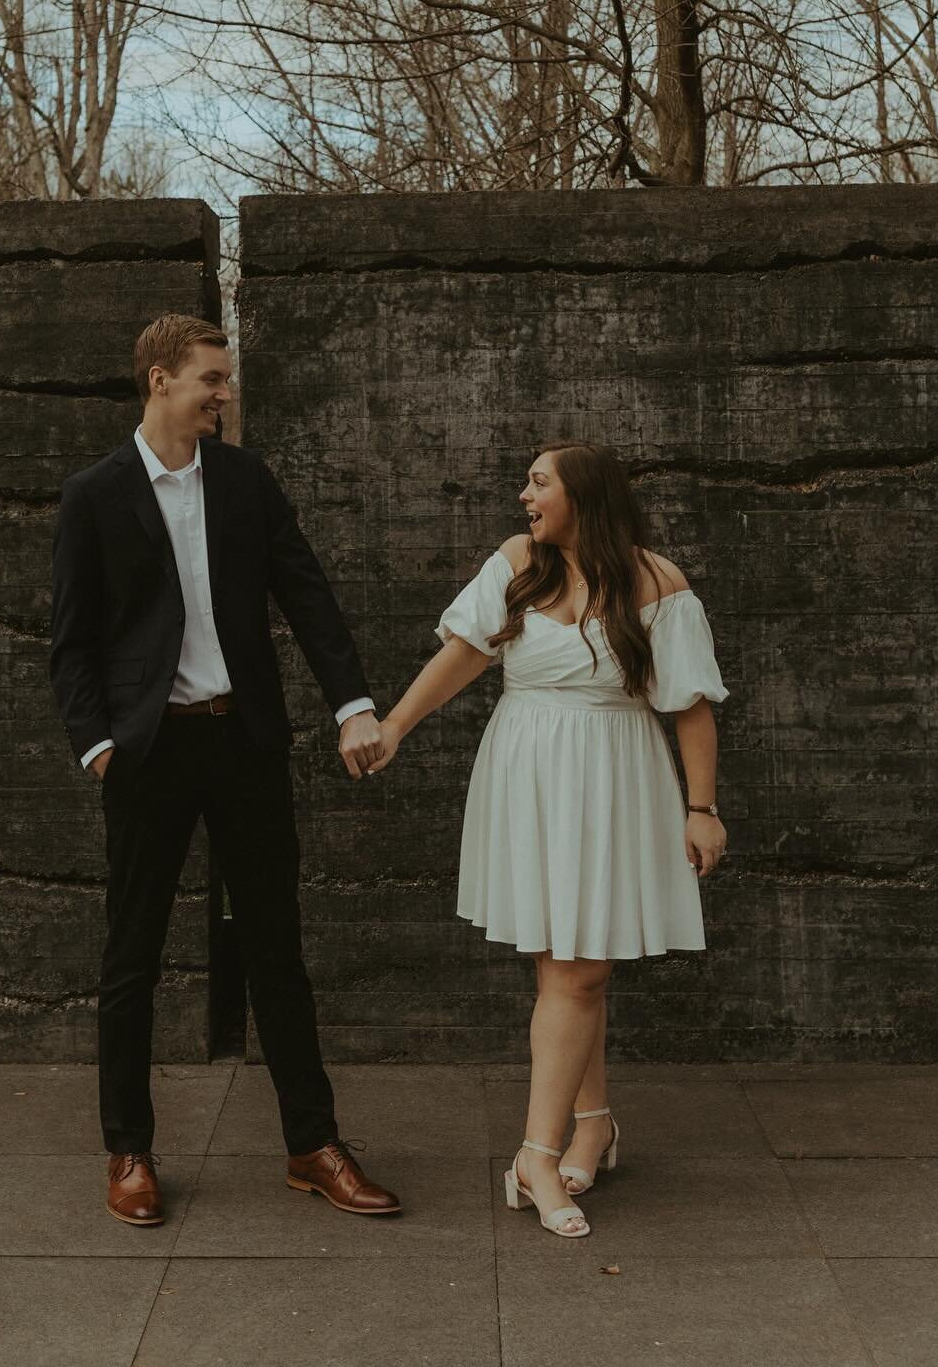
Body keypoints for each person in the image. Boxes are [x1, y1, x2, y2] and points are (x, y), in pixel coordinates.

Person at [49, 313, 401, 1227]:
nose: (223, 392)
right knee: (131, 958)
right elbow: (71, 642)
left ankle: (312, 1146)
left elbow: (308, 595)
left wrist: (352, 703)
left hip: (245, 743)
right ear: (161, 379)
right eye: (210, 378)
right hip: (150, 752)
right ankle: (128, 1150)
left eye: (225, 378)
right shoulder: (95, 495)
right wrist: (99, 748)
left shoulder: (246, 482)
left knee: (277, 950)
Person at [368, 441, 729, 1240]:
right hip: (529, 773)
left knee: (581, 967)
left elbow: (692, 706)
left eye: (539, 482)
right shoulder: (516, 562)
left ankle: (539, 1152)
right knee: (570, 965)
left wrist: (702, 809)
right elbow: (462, 654)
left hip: (617, 776)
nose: (523, 493)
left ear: (584, 496)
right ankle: (586, 1124)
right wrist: (395, 725)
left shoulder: (658, 583)